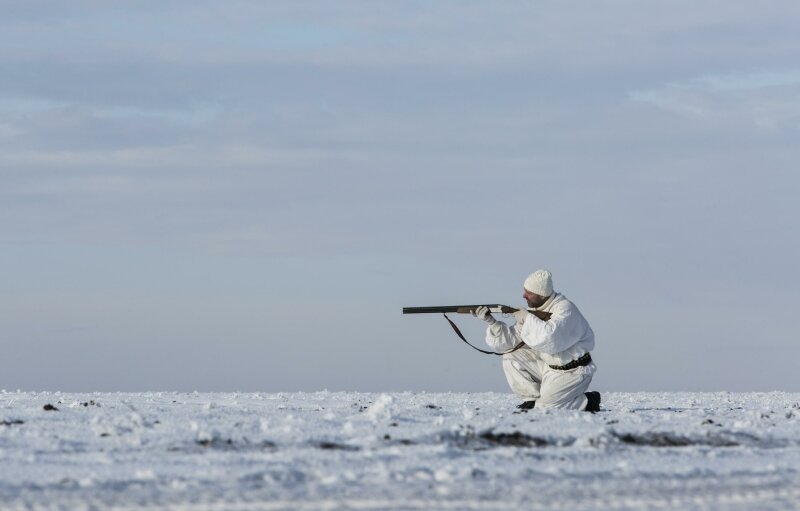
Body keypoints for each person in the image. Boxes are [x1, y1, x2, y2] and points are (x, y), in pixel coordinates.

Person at [472, 269, 600, 412]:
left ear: (542, 294)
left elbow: (550, 339)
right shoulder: (533, 311)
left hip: (574, 372)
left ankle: (588, 401)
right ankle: (531, 399)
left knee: (546, 408)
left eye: (529, 293)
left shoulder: (565, 309)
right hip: (549, 367)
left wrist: (527, 318)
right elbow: (513, 341)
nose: (524, 295)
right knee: (510, 355)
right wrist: (492, 323)